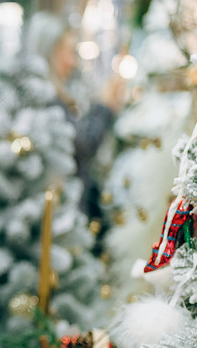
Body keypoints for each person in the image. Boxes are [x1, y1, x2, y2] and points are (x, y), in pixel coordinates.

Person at [24, 11, 125, 221]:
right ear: (50, 53)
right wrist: (104, 106)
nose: (73, 62)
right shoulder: (46, 102)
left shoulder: (58, 96)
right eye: (68, 52)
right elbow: (81, 145)